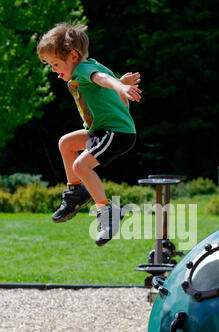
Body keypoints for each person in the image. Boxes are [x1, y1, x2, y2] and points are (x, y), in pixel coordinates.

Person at [37, 22, 141, 246]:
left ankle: (108, 211)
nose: (54, 70)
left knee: (80, 166)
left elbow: (103, 79)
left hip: (116, 133)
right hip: (100, 131)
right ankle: (76, 194)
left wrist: (119, 87)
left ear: (73, 55)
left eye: (55, 64)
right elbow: (104, 78)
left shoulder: (83, 70)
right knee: (66, 143)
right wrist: (120, 83)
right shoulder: (89, 67)